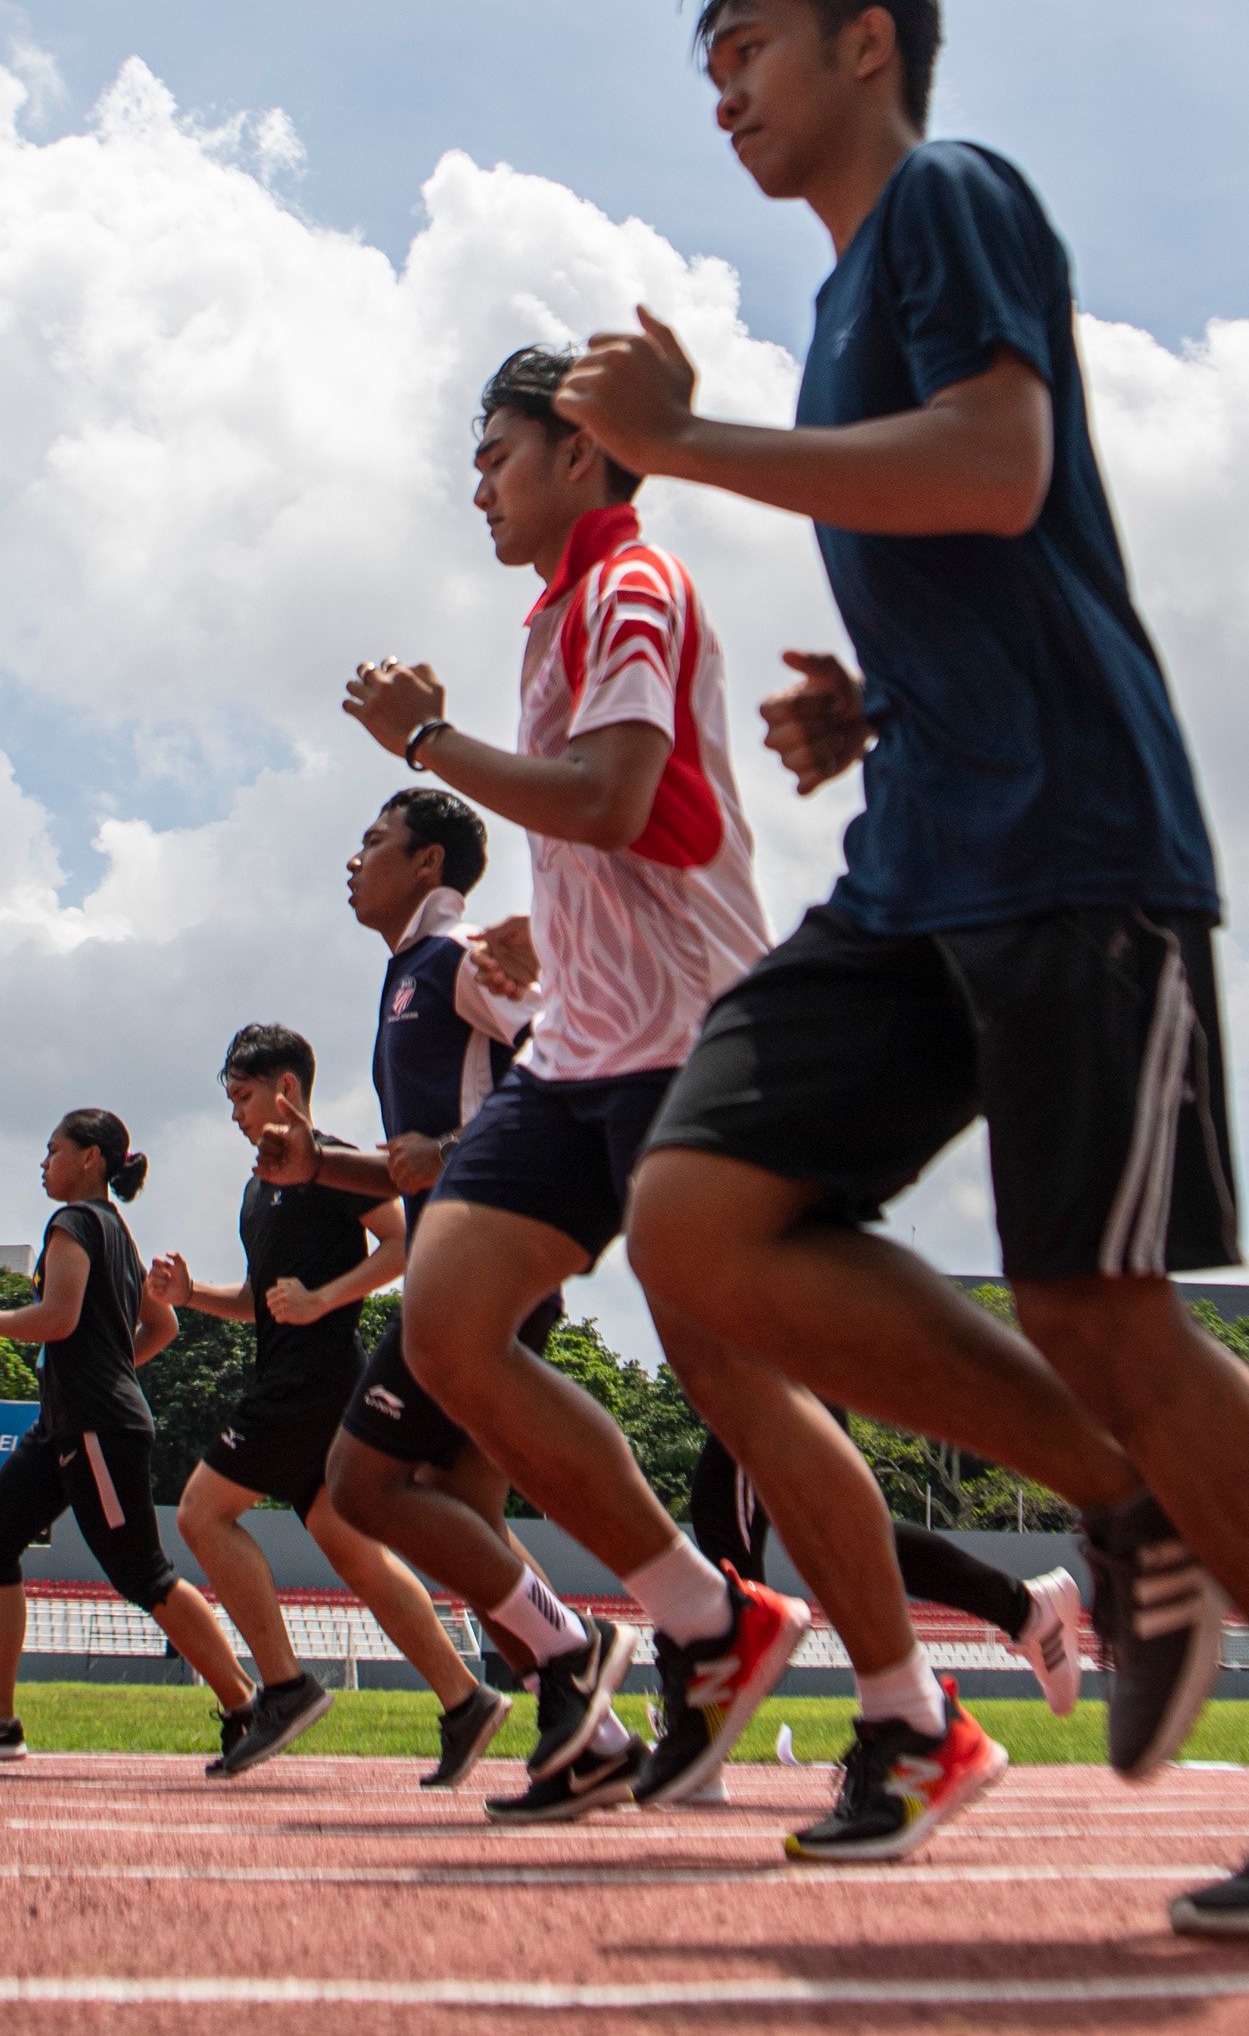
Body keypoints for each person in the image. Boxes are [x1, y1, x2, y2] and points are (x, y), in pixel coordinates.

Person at [577, 0, 1249, 1935]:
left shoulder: (949, 199)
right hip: (925, 842)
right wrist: (871, 699)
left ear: (863, 47)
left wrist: (684, 449)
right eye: (706, 67)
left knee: (1101, 1302)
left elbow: (1000, 470)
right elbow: (950, 534)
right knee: (700, 1216)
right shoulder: (841, 309)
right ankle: (1117, 1496)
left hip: (1073, 840)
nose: (722, 91)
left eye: (748, 46)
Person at [295, 343, 980, 1849]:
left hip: (687, 1038)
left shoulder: (630, 587)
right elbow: (610, 827)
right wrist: (561, 924)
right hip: (590, 1037)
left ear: (583, 454)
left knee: (740, 1385)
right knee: (448, 1319)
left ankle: (914, 1711)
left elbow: (611, 793)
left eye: (496, 452)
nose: (477, 479)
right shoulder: (561, 608)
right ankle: (697, 1612)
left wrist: (429, 741)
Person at [156, 1021, 494, 1779]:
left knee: (201, 1513)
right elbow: (264, 1299)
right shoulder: (256, 1188)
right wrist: (192, 1295)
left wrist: (327, 1296)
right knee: (354, 1552)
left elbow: (409, 1244)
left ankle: (284, 1687)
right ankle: (465, 1699)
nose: (234, 1114)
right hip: (301, 1383)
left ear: (286, 1089)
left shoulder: (333, 1165)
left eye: (242, 1096)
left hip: (310, 1385)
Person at [0, 1109, 258, 1766]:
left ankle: (246, 1702)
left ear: (91, 1157)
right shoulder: (117, 1233)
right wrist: (112, 1364)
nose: (43, 1163)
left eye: (52, 1150)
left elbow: (58, 1317)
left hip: (97, 1425)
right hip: (64, 1425)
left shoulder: (72, 1223)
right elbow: (165, 1326)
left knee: (141, 1572)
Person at [341, 782, 545, 1787]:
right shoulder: (403, 977)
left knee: (362, 1484)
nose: (352, 858)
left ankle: (604, 1655)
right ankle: (587, 1726)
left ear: (428, 863)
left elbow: (570, 1065)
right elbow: (411, 1163)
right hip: (459, 1262)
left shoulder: (460, 959)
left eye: (372, 840)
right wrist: (318, 1167)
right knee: (468, 1518)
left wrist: (455, 1147)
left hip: (490, 1262)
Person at [686, 1430, 1086, 1716]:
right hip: (786, 1336)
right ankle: (1024, 1611)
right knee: (840, 1537)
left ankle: (703, 1718)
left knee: (723, 1503)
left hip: (777, 1337)